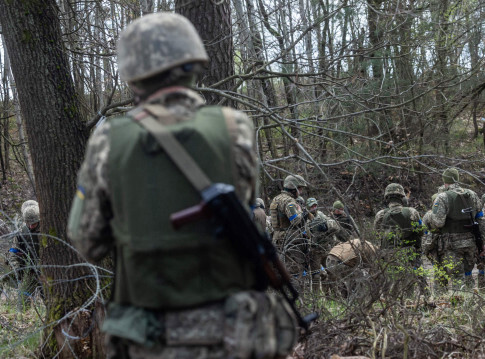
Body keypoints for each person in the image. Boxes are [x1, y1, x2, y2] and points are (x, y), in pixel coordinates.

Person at [67, 13, 296, 359]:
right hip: (233, 333)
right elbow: (245, 208)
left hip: (148, 337)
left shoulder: (109, 141)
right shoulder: (236, 129)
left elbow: (86, 242)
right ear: (194, 62)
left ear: (133, 75)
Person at [424, 168, 484, 289]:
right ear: (457, 179)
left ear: (444, 180)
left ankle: (460, 304)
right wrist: (482, 242)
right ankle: (471, 303)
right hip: (470, 242)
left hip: (451, 244)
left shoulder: (442, 197)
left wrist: (429, 214)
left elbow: (438, 223)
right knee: (468, 275)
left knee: (457, 278)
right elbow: (481, 219)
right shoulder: (472, 194)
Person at [374, 183, 422, 267]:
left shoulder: (380, 214)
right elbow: (421, 231)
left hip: (388, 256)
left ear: (387, 198)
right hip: (409, 255)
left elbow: (378, 235)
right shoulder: (412, 212)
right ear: (402, 197)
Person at [270, 174, 310, 273]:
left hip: (278, 238)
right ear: (293, 188)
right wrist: (300, 212)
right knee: (295, 270)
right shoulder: (289, 202)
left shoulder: (276, 199)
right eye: (300, 189)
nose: (300, 192)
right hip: (291, 240)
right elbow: (295, 220)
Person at [8, 201, 41, 308]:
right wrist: (16, 268)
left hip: (47, 271)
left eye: (34, 223)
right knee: (22, 303)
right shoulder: (21, 231)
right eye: (28, 223)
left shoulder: (48, 228)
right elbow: (13, 251)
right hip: (29, 270)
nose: (31, 226)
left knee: (52, 304)